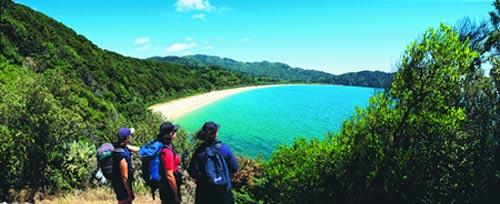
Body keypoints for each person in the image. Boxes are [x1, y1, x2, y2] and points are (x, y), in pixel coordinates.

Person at [188, 121, 239, 204]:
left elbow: (192, 172)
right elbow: (235, 168)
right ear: (215, 134)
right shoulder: (225, 148)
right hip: (223, 191)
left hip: (204, 192)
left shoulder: (199, 151)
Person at [158, 122, 182, 204]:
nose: (176, 133)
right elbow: (169, 175)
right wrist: (176, 194)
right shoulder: (167, 152)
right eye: (174, 131)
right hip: (169, 187)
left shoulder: (164, 145)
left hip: (164, 184)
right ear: (170, 134)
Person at [112, 127, 136, 204]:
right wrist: (129, 193)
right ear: (126, 138)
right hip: (122, 186)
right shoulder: (121, 155)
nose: (131, 136)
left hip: (119, 184)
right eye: (130, 135)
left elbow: (135, 149)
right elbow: (125, 177)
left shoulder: (120, 146)